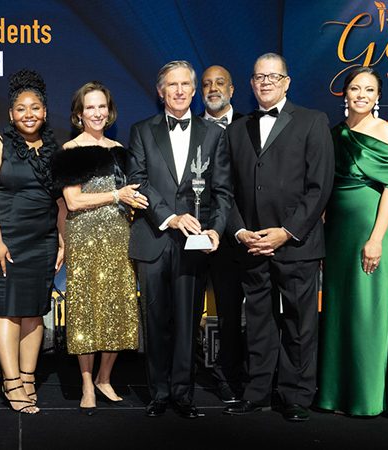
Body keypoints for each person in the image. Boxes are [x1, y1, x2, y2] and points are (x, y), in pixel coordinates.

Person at [223, 53, 334, 422]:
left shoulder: (313, 121)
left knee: (300, 323)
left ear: (287, 82)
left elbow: (319, 187)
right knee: (257, 322)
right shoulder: (236, 129)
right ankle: (257, 391)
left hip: (296, 243)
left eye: (273, 76)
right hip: (251, 244)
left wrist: (285, 233)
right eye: (258, 77)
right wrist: (240, 231)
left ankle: (296, 394)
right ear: (251, 84)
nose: (266, 82)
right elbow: (226, 189)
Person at [127, 61, 232, 419]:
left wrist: (216, 228)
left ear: (193, 89)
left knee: (188, 321)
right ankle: (158, 393)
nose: (179, 90)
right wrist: (170, 217)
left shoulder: (214, 133)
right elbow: (138, 180)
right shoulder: (141, 130)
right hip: (154, 237)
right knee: (155, 321)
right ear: (160, 91)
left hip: (195, 242)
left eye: (186, 83)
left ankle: (183, 395)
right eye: (172, 84)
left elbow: (222, 191)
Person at [51, 82, 146, 415]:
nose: (97, 113)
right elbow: (73, 201)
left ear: (109, 110)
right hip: (84, 239)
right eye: (90, 107)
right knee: (87, 312)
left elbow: (130, 196)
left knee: (117, 309)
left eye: (101, 106)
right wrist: (117, 196)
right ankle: (87, 384)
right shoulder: (70, 150)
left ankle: (106, 378)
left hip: (119, 238)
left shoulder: (120, 150)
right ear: (79, 114)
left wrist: (131, 204)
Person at [316, 67, 388, 417]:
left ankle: (367, 397)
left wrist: (377, 239)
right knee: (339, 312)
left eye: (369, 89)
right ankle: (336, 394)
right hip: (337, 232)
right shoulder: (334, 133)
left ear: (378, 96)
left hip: (371, 229)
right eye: (355, 88)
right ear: (345, 93)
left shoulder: (386, 132)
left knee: (367, 310)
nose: (361, 95)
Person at [0, 69, 62, 414]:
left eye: (35, 107)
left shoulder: (53, 151)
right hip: (3, 241)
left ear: (44, 112)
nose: (29, 114)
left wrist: (63, 241)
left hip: (42, 241)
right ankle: (10, 382)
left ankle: (27, 377)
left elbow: (61, 202)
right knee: (6, 311)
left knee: (34, 312)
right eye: (21, 108)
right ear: (11, 114)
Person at [199, 65, 245, 403]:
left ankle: (229, 374)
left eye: (220, 83)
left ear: (232, 89)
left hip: (233, 235)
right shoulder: (187, 125)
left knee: (230, 309)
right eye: (207, 84)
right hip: (188, 234)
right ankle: (184, 376)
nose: (213, 89)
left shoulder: (249, 126)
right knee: (184, 310)